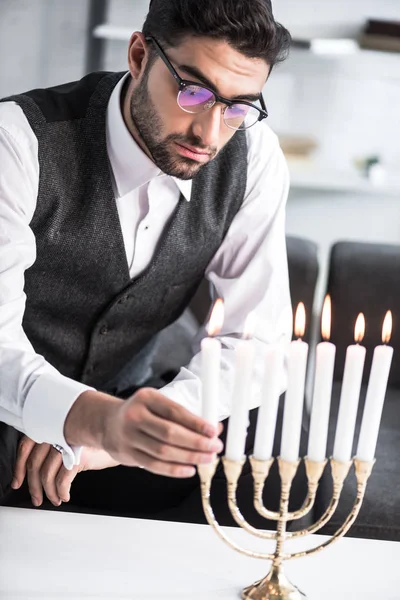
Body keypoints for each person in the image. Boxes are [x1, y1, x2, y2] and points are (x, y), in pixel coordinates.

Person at [0, 0, 301, 524]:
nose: (210, 135)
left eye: (238, 106)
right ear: (139, 55)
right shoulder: (17, 141)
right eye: (192, 92)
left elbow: (258, 343)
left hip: (126, 418)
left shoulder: (254, 157)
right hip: (9, 405)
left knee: (263, 471)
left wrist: (117, 438)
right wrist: (89, 419)